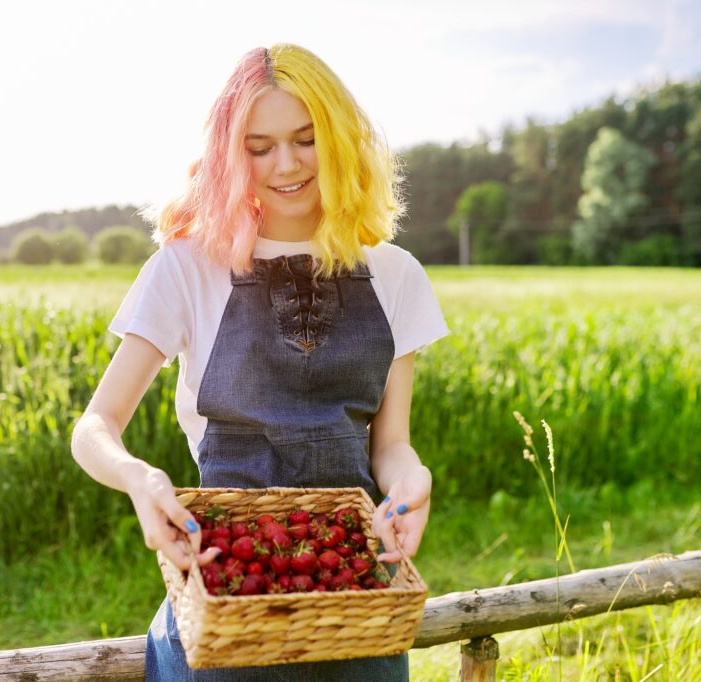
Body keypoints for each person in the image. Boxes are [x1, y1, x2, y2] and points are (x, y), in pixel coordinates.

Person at [71, 43, 449, 681]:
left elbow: (391, 446)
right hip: (226, 598)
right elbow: (95, 427)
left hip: (353, 592)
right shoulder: (188, 267)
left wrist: (413, 480)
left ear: (340, 139)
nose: (286, 164)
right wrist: (140, 479)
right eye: (259, 145)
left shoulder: (395, 275)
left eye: (306, 139)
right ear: (230, 155)